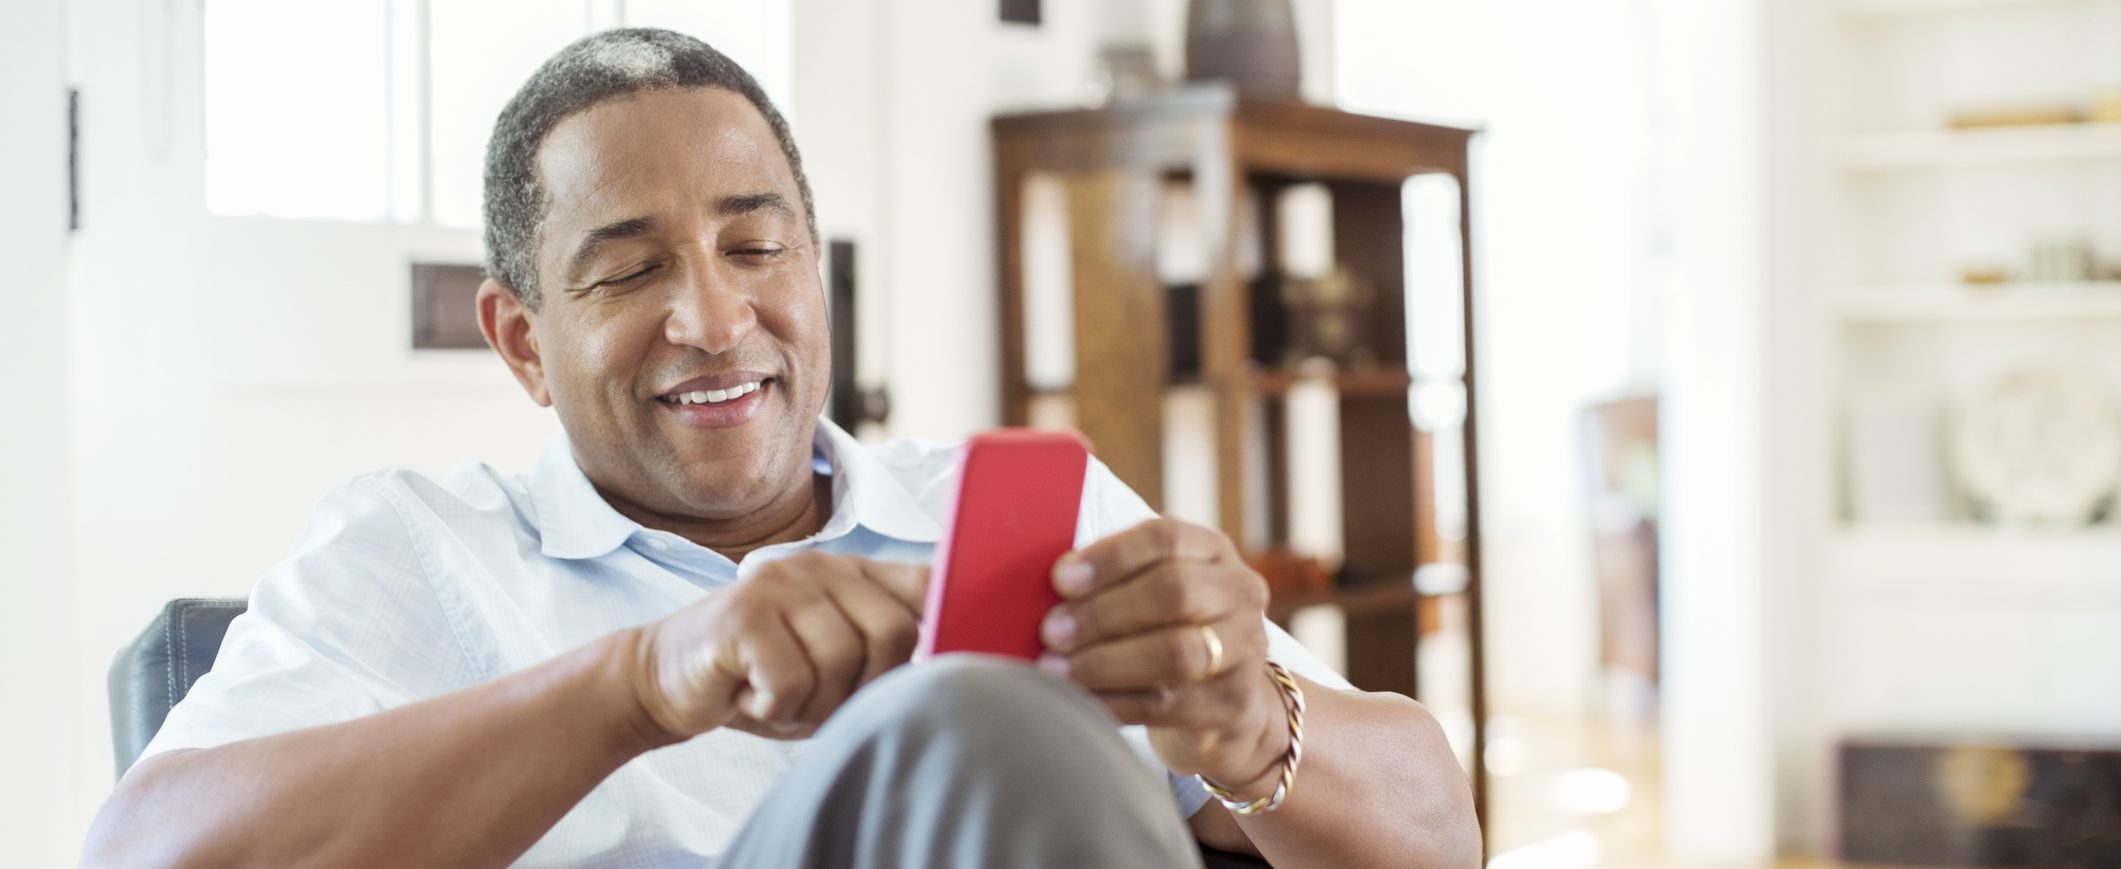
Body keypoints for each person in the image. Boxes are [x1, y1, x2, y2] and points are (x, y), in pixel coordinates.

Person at [82, 28, 1477, 868]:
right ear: (519, 341)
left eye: (757, 246)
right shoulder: (418, 549)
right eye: (627, 272)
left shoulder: (1010, 519)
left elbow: (1437, 838)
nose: (711, 317)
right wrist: (643, 681)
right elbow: (150, 856)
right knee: (976, 717)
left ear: (816, 272)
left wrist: (1247, 727)